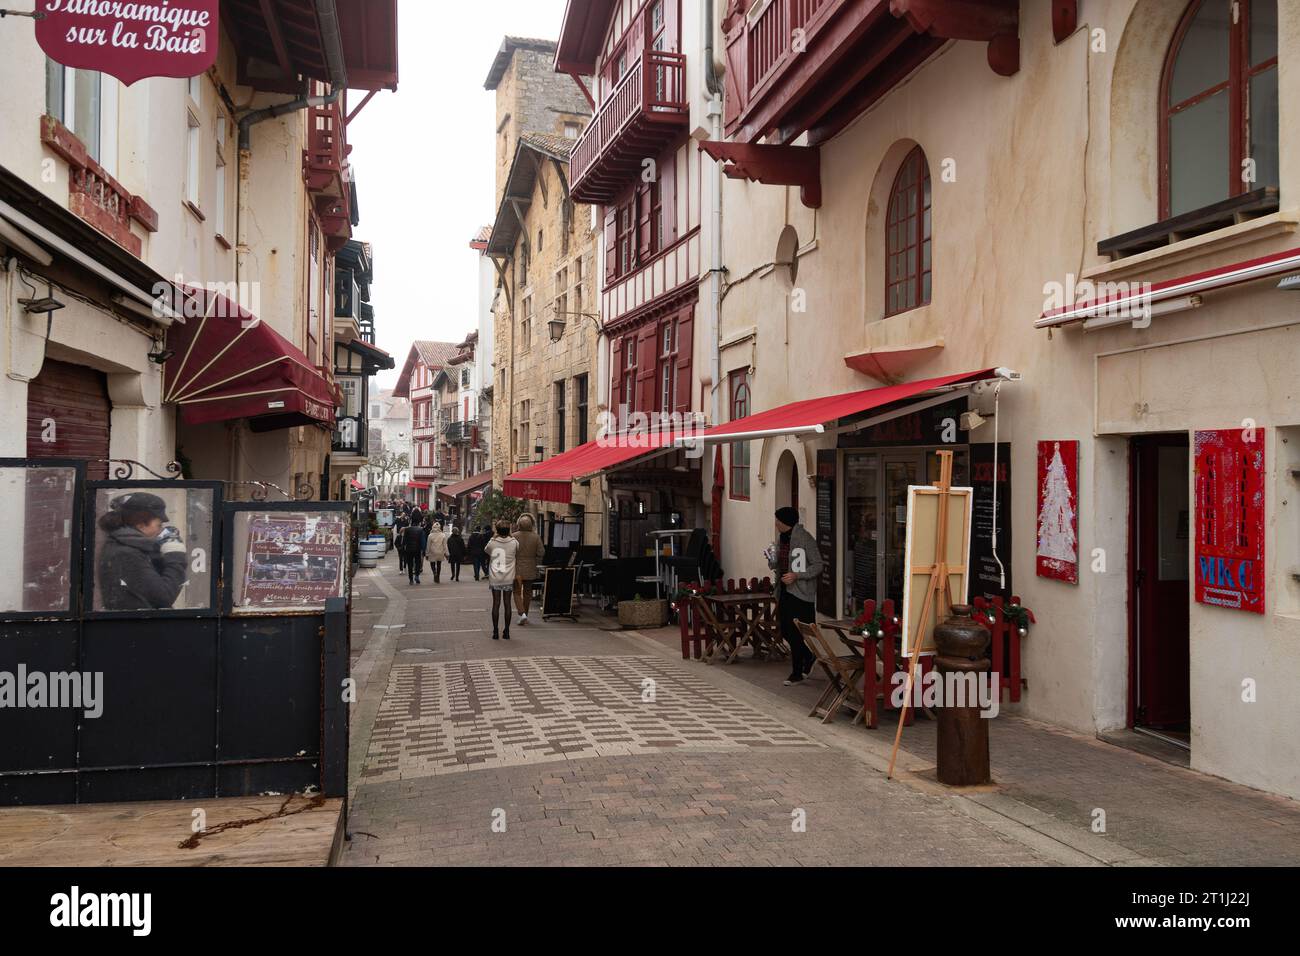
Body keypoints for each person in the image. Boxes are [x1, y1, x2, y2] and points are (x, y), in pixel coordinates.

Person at [96, 493, 189, 610]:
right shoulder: (126, 554)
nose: (160, 530)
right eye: (159, 525)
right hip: (137, 626)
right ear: (141, 525)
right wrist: (176, 556)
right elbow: (164, 597)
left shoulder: (123, 547)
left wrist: (158, 554)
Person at [768, 506, 822, 686]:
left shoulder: (805, 538)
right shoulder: (781, 538)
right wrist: (772, 559)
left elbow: (818, 565)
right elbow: (778, 565)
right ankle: (808, 656)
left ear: (785, 522)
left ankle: (797, 672)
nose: (775, 523)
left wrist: (797, 575)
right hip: (784, 590)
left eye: (778, 520)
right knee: (786, 630)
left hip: (801, 594)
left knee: (798, 633)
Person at [484, 522, 519, 640]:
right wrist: (511, 536)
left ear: (497, 531)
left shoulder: (493, 543)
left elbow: (486, 550)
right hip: (509, 577)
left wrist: (493, 537)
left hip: (495, 577)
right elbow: (517, 548)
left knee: (496, 604)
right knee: (508, 604)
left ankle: (495, 631)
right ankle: (507, 631)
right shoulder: (514, 542)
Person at [512, 513, 546, 626]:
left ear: (519, 524)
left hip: (516, 569)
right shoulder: (536, 537)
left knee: (516, 592)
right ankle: (525, 614)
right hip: (531, 568)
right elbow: (541, 552)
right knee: (527, 593)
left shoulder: (513, 536)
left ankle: (522, 614)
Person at [403, 510, 427, 585]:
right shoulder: (421, 530)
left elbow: (404, 541)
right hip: (417, 549)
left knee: (410, 564)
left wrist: (404, 548)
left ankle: (411, 579)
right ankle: (417, 576)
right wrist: (424, 550)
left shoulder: (407, 530)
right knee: (417, 563)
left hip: (409, 549)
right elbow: (423, 542)